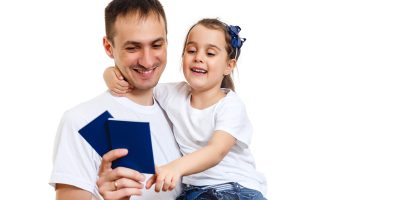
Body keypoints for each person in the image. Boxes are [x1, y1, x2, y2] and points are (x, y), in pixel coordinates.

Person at [104, 18, 267, 199]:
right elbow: (139, 83)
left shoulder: (230, 105)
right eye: (191, 51)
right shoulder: (174, 94)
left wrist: (176, 167)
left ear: (229, 66)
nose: (198, 57)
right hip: (194, 192)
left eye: (210, 53)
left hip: (234, 189)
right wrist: (110, 74)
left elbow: (216, 150)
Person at [49, 0, 183, 199]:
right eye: (132, 48)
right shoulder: (81, 121)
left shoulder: (179, 106)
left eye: (156, 45)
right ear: (108, 47)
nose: (147, 60)